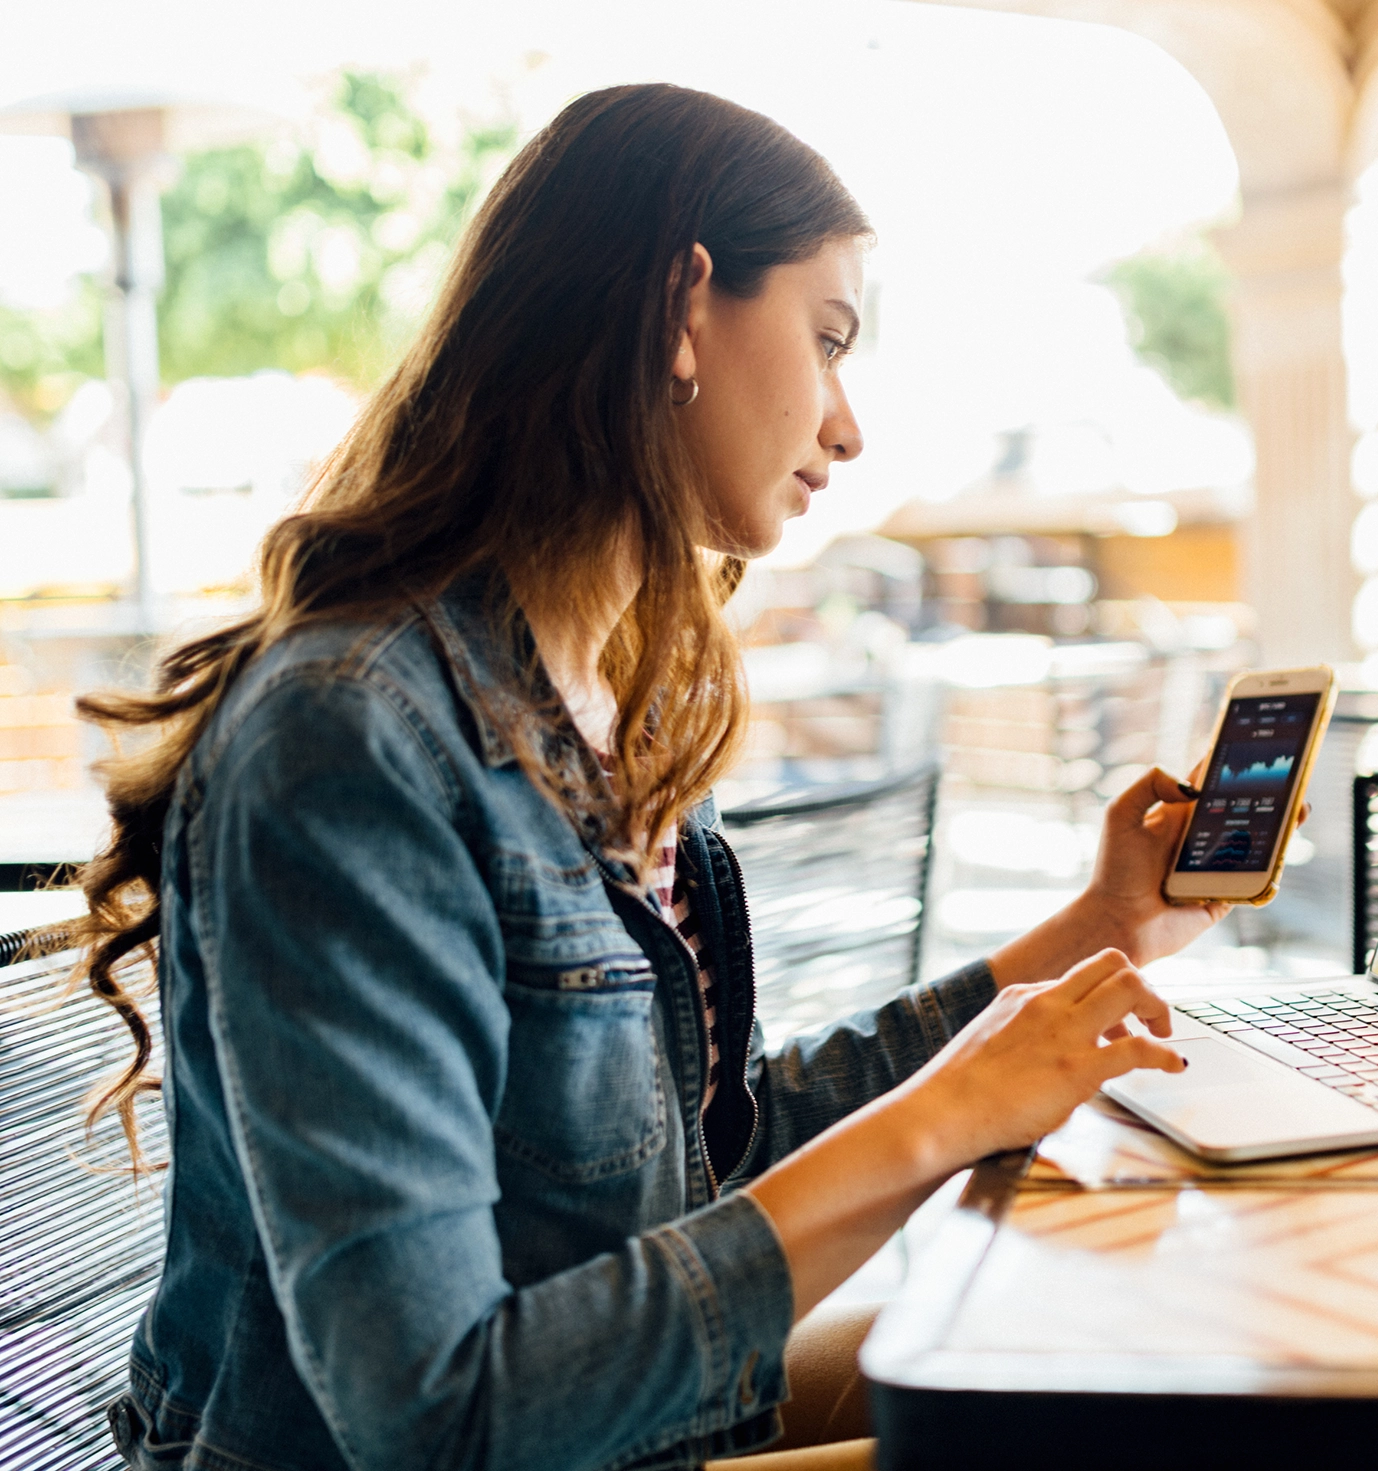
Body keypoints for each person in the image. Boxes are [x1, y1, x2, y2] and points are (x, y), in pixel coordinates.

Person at [72, 84, 1230, 1471]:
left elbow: (712, 1145)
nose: (848, 426)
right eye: (829, 337)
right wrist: (947, 1117)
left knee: (1134, 1365)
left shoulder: (615, 705)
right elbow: (433, 1413)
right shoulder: (351, 738)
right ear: (687, 306)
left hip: (616, 1433)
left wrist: (1100, 931)